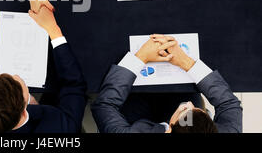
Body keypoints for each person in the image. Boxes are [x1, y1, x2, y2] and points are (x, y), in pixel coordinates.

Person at [0, 6, 87, 133]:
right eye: (21, 86)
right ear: (25, 112)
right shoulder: (60, 128)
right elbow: (74, 85)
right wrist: (53, 30)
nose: (14, 75)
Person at [91, 34, 242, 133]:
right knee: (187, 94)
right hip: (181, 124)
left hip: (136, 122)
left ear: (169, 130)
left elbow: (104, 106)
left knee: (128, 98)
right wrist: (185, 61)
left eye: (185, 110)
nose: (189, 103)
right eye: (197, 110)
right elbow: (229, 104)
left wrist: (141, 57)